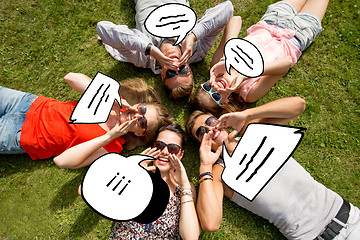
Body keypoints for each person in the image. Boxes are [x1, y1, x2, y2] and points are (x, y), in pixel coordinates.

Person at [186, 97, 360, 239]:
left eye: (210, 121)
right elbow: (210, 223)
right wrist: (205, 165)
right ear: (202, 143)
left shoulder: (254, 132)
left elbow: (298, 105)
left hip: (349, 218)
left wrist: (247, 114)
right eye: (201, 132)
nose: (210, 129)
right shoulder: (220, 174)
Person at [0, 73, 173, 169]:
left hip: (20, 134)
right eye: (142, 109)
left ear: (139, 133)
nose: (136, 116)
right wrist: (113, 98)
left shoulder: (112, 146)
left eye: (142, 123)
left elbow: (62, 161)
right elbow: (70, 78)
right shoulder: (111, 100)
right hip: (27, 103)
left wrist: (109, 136)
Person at [192, 0, 329, 115]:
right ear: (225, 103)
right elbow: (286, 63)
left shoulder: (218, 63)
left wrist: (227, 58)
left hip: (274, 18)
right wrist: (245, 75)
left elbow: (235, 20)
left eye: (208, 87)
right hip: (297, 36)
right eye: (216, 96)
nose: (215, 88)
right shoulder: (249, 92)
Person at [96, 0, 234, 99]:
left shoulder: (142, 58)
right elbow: (227, 8)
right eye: (182, 70)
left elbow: (103, 28)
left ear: (162, 75)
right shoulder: (197, 51)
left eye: (171, 74)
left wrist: (150, 49)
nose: (175, 66)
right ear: (190, 69)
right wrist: (192, 36)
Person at [108, 123, 201, 239]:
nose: (165, 152)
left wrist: (185, 187)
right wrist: (130, 174)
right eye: (160, 145)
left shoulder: (185, 188)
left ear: (181, 155)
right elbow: (86, 192)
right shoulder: (134, 174)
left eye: (173, 149)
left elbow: (191, 237)